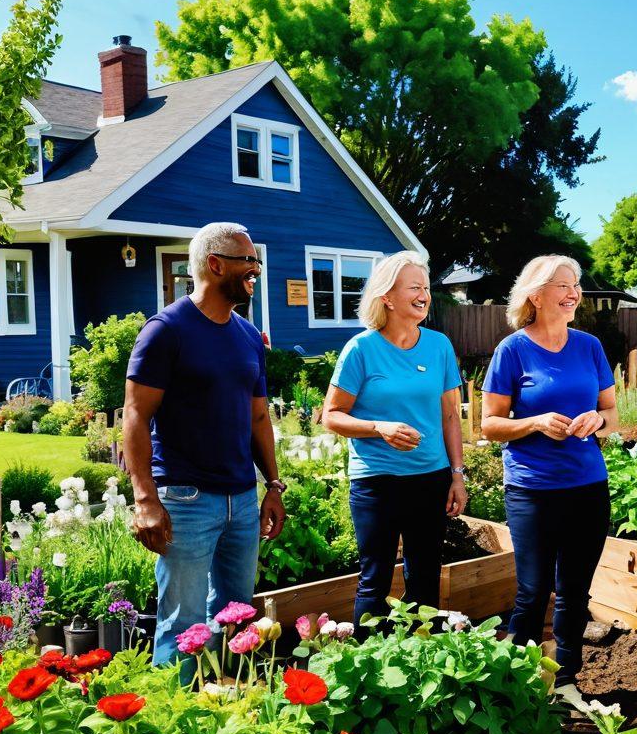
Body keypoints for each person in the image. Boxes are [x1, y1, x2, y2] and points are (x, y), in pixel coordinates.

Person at [124, 222, 286, 667]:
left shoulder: (248, 336)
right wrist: (145, 499)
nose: (257, 270)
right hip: (186, 499)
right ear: (215, 265)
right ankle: (171, 726)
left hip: (241, 498)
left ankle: (226, 716)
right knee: (183, 625)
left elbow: (258, 416)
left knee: (238, 620)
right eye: (248, 261)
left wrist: (273, 485)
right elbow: (136, 416)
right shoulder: (167, 330)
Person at [481, 255, 617, 700]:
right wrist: (535, 423)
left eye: (575, 285)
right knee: (533, 590)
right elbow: (488, 425)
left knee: (575, 591)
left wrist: (597, 420)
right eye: (563, 285)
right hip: (532, 489)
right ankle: (516, 682)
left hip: (587, 486)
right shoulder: (512, 350)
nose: (573, 292)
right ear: (535, 295)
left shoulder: (590, 346)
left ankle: (565, 681)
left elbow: (612, 413)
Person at [323, 251, 465, 630]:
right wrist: (378, 428)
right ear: (387, 297)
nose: (424, 294)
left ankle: (423, 669)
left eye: (426, 287)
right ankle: (372, 673)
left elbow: (451, 415)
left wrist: (456, 475)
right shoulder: (362, 349)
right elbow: (331, 415)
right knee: (375, 580)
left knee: (425, 581)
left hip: (430, 479)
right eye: (414, 287)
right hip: (376, 481)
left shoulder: (439, 346)